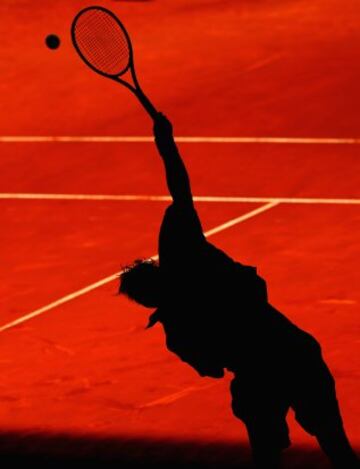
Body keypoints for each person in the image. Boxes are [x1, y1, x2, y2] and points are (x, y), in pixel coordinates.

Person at [119, 113, 358, 468]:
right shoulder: (182, 251)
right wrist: (165, 143)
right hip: (293, 352)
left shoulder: (177, 331)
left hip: (260, 375)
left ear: (146, 302)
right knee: (334, 445)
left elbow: (212, 369)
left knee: (266, 452)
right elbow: (181, 191)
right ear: (156, 268)